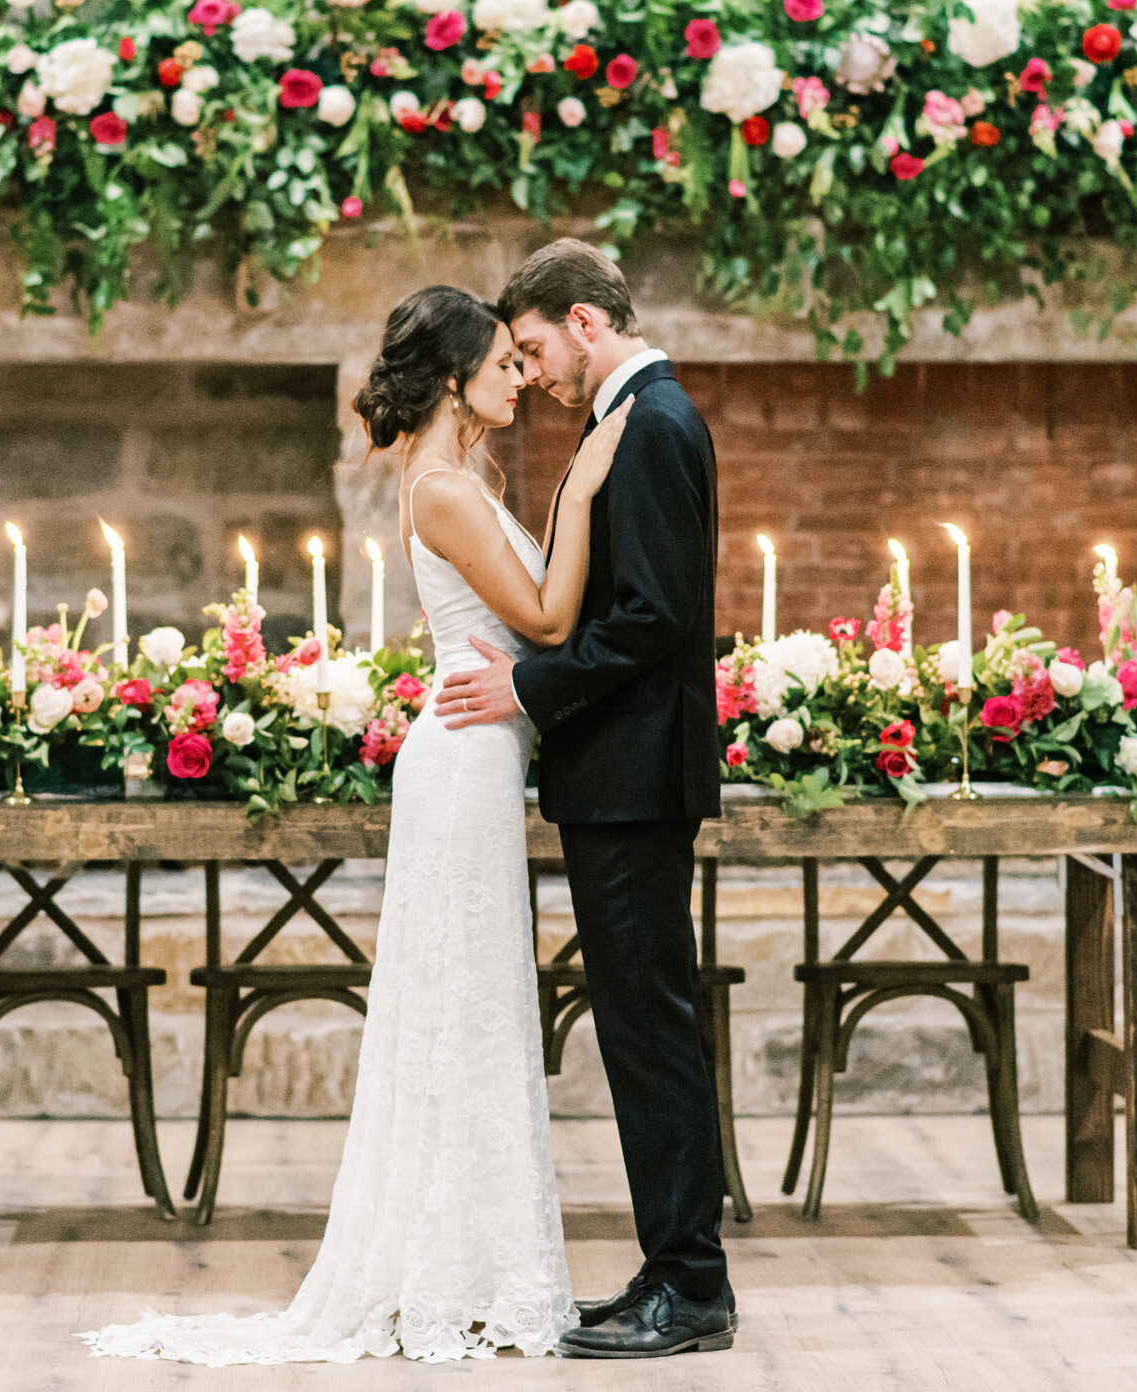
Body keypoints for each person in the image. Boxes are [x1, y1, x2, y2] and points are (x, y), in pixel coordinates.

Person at [79, 284, 633, 1364]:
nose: (520, 376)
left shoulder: (455, 479)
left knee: (469, 1009)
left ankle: (465, 1268)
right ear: (452, 380)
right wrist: (585, 492)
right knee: (461, 1007)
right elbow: (551, 618)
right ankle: (447, 1276)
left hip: (474, 756)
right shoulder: (446, 488)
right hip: (464, 766)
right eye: (502, 363)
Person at [436, 237, 734, 1359]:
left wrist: (528, 684)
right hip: (621, 774)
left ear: (585, 321)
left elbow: (652, 619)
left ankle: (691, 1284)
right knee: (640, 1024)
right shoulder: (636, 420)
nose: (533, 372)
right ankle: (672, 1268)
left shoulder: (650, 423)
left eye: (534, 346)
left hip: (634, 775)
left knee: (650, 1028)